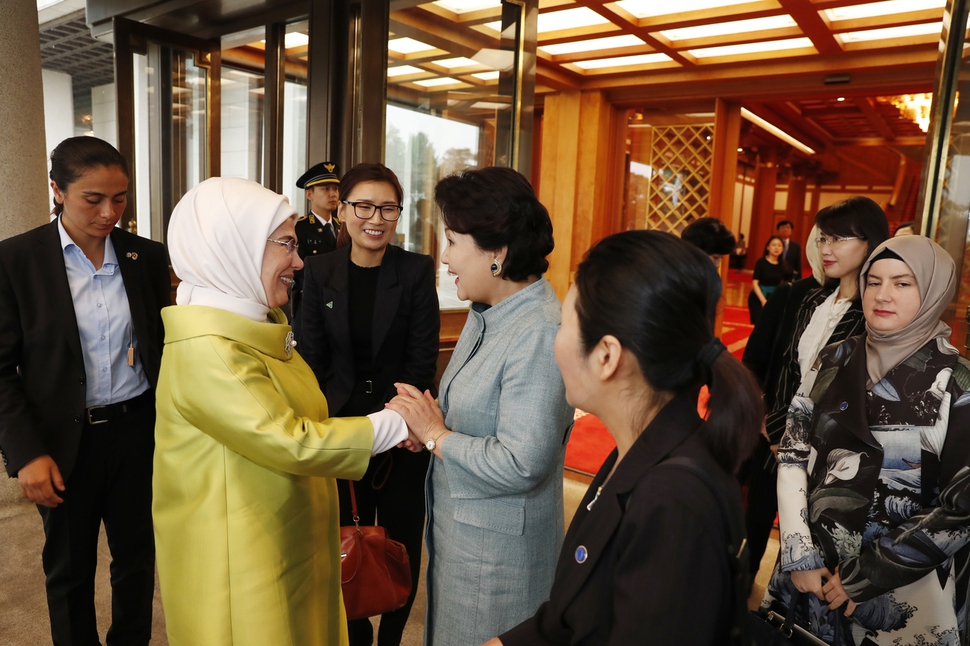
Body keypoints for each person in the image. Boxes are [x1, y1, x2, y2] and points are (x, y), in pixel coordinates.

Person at [152, 177, 409, 646]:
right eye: (286, 245)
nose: (298, 260)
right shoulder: (209, 348)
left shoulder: (258, 324)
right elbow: (289, 438)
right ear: (234, 247)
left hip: (283, 538)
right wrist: (393, 423)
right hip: (241, 561)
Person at [481, 230, 763, 645]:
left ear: (607, 355)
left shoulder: (673, 500)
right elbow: (580, 612)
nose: (556, 341)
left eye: (564, 324)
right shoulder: (637, 450)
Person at [385, 167, 573, 645]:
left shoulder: (537, 330)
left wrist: (437, 437)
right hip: (465, 540)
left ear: (496, 252)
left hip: (499, 560)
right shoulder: (488, 310)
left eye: (451, 241)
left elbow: (522, 461)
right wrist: (430, 429)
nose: (444, 257)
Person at [0, 136, 170, 645]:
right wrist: (26, 453)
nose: (109, 212)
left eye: (119, 198)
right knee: (69, 569)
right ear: (57, 190)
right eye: (92, 199)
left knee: (137, 561)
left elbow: (162, 348)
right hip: (63, 442)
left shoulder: (145, 256)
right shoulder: (17, 260)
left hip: (138, 431)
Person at [765, 235, 970, 645]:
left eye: (902, 283)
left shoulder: (956, 383)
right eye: (873, 281)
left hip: (905, 581)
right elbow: (792, 453)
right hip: (814, 565)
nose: (882, 295)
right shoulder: (835, 357)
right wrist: (797, 550)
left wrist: (866, 577)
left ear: (933, 290)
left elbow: (960, 509)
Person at [297, 163, 440, 646]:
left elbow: (421, 360)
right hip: (340, 436)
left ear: (398, 213)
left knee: (400, 546)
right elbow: (312, 360)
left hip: (401, 438)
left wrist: (400, 424)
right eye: (363, 206)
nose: (374, 218)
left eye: (387, 208)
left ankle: (392, 639)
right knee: (342, 546)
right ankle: (355, 636)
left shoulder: (415, 270)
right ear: (343, 209)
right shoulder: (318, 272)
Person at [742, 197, 890, 577]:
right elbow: (787, 369)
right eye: (824, 239)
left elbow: (850, 394)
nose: (826, 249)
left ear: (870, 242)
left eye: (840, 239)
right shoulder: (812, 299)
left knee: (808, 551)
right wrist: (773, 426)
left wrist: (793, 440)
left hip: (824, 454)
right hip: (774, 434)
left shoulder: (873, 313)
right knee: (753, 523)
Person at [292, 161, 341, 319]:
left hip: (340, 301)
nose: (332, 194)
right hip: (312, 303)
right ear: (309, 194)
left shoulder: (343, 227)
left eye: (335, 189)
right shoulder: (300, 228)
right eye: (325, 189)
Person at [748, 235, 788, 324]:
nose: (776, 248)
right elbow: (755, 283)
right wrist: (763, 300)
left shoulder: (783, 265)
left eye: (779, 245)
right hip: (758, 297)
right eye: (773, 245)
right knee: (759, 326)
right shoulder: (761, 262)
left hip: (774, 298)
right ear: (768, 247)